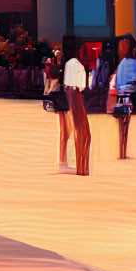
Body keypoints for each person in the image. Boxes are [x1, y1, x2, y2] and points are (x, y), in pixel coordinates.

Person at [62, 36, 91, 177]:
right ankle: (82, 168)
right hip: (77, 95)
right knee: (84, 134)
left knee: (80, 133)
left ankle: (81, 167)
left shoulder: (68, 64)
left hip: (71, 96)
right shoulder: (77, 65)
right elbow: (83, 86)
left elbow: (67, 84)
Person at [111, 37, 136, 160]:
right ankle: (123, 151)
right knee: (126, 124)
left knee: (120, 125)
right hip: (128, 96)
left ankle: (120, 151)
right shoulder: (134, 62)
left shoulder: (121, 63)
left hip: (119, 96)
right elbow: (135, 82)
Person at [44, 50, 71, 171]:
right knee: (64, 129)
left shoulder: (57, 66)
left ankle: (62, 160)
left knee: (65, 129)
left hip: (58, 94)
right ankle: (61, 160)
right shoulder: (55, 66)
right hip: (59, 95)